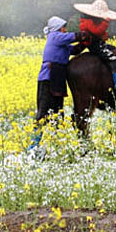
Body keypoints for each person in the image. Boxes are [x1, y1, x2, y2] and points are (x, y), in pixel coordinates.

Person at [31, 16, 86, 149]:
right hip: (48, 78)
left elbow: (75, 50)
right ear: (57, 28)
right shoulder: (54, 36)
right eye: (63, 27)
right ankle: (33, 145)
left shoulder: (62, 43)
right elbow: (74, 36)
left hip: (57, 78)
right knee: (43, 113)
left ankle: (55, 145)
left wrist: (86, 43)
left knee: (57, 113)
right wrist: (88, 34)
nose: (65, 30)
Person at [72, 0, 116, 89]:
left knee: (112, 48)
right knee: (112, 58)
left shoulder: (88, 21)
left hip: (97, 43)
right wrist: (105, 23)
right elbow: (97, 31)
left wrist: (104, 35)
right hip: (95, 45)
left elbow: (98, 32)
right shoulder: (88, 22)